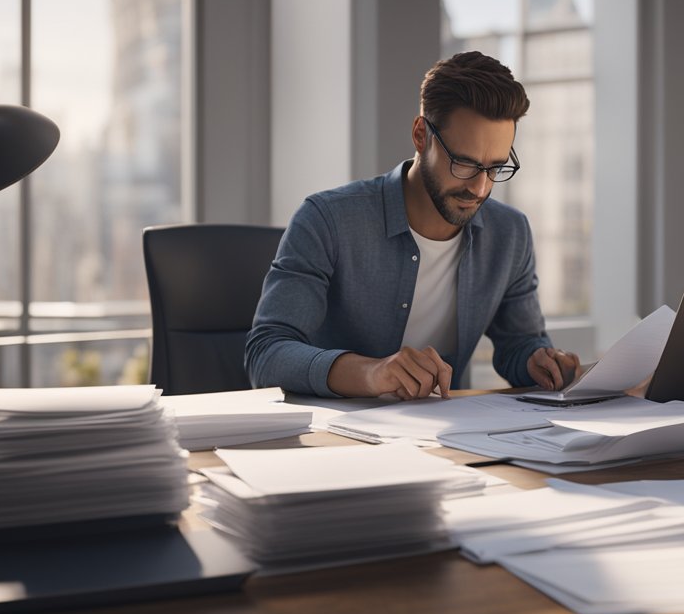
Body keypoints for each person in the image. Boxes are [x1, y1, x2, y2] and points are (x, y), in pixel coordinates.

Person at [245, 51, 580, 400]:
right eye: (464, 164)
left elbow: (520, 343)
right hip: (334, 439)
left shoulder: (510, 234)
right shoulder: (327, 220)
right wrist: (372, 372)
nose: (480, 188)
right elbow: (266, 354)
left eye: (495, 168)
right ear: (421, 136)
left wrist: (539, 362)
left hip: (450, 438)